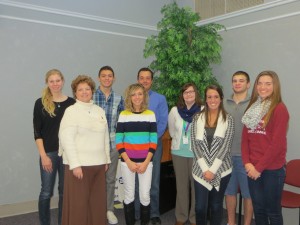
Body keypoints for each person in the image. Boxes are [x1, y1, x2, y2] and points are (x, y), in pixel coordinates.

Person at [59, 75, 110, 225]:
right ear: (75, 92)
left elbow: (105, 137)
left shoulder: (99, 110)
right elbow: (66, 139)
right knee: (79, 206)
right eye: (80, 89)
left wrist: (106, 159)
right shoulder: (71, 111)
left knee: (97, 205)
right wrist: (75, 165)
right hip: (79, 167)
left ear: (92, 91)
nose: (84, 92)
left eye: (87, 89)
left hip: (99, 165)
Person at [241, 70, 289, 225]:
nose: (263, 87)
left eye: (268, 83)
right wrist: (247, 163)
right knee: (259, 209)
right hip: (252, 168)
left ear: (275, 86)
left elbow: (277, 145)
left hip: (272, 170)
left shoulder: (279, 109)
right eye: (260, 83)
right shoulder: (252, 108)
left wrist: (258, 168)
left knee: (273, 212)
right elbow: (244, 140)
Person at [33, 69, 75, 225]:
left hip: (67, 154)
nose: (55, 84)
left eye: (58, 80)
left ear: (63, 81)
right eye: (52, 81)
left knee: (64, 193)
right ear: (47, 83)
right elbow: (37, 133)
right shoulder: (40, 103)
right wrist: (43, 156)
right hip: (49, 153)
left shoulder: (72, 103)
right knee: (46, 192)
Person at [191, 85, 234, 225]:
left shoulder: (228, 119)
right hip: (200, 169)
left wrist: (213, 170)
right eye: (209, 97)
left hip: (221, 169)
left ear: (221, 99)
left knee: (216, 206)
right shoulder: (197, 118)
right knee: (200, 207)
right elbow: (194, 145)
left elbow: (226, 146)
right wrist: (205, 169)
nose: (212, 100)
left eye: (216, 96)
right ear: (206, 99)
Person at [116, 83, 157, 225]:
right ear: (129, 97)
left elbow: (153, 142)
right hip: (127, 162)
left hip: (146, 162)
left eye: (140, 94)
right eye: (133, 94)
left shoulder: (150, 115)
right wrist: (128, 161)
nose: (137, 97)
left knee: (145, 196)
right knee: (129, 196)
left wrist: (145, 163)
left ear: (144, 96)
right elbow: (119, 141)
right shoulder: (123, 115)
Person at [136, 67, 168, 225]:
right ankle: (136, 212)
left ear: (152, 81)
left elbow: (162, 122)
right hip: (134, 146)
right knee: (136, 179)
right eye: (142, 78)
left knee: (153, 181)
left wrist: (152, 141)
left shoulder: (160, 99)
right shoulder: (132, 97)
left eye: (148, 78)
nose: (145, 81)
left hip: (154, 145)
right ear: (138, 80)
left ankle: (154, 213)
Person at [168, 83, 203, 225]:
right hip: (178, 153)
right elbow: (171, 131)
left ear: (196, 94)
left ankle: (194, 217)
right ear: (182, 95)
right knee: (181, 186)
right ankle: (181, 216)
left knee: (196, 187)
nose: (188, 94)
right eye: (185, 92)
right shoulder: (175, 111)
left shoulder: (203, 110)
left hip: (196, 154)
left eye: (191, 92)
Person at [93, 66, 124, 225]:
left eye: (110, 76)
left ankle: (109, 210)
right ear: (99, 78)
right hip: (93, 147)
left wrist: (120, 145)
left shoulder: (119, 99)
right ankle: (95, 209)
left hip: (112, 146)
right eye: (103, 76)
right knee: (94, 180)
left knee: (110, 180)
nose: (107, 78)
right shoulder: (90, 97)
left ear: (114, 78)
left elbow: (121, 123)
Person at [224, 71, 253, 225]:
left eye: (241, 81)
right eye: (235, 80)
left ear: (248, 84)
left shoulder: (255, 104)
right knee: (229, 192)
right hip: (226, 156)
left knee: (249, 194)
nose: (237, 83)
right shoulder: (224, 103)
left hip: (246, 157)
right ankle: (231, 222)